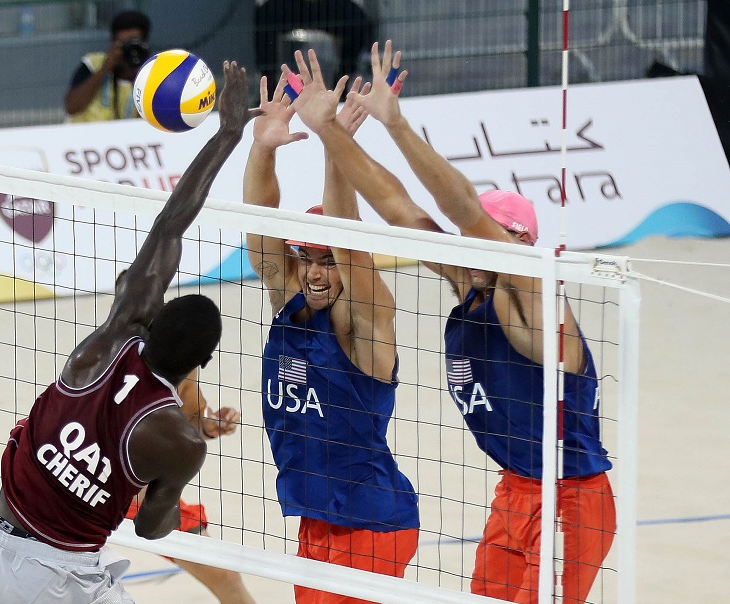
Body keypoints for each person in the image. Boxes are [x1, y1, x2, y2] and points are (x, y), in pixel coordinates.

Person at [288, 41, 615, 603]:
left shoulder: (533, 293)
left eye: (495, 231)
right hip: (515, 489)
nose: (475, 236)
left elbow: (460, 205)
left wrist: (399, 126)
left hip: (569, 496)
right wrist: (333, 134)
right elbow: (397, 208)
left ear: (522, 243)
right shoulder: (468, 284)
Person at [0, 60, 259, 604]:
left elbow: (171, 223)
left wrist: (227, 135)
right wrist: (166, 478)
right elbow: (153, 528)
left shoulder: (102, 348)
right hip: (54, 577)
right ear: (201, 363)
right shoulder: (178, 440)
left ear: (149, 323)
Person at [243, 70, 419, 603]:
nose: (316, 272)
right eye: (307, 259)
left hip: (370, 521)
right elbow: (260, 223)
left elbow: (350, 244)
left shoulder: (366, 318)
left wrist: (331, 140)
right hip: (317, 516)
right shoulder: (290, 300)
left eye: (327, 261)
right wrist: (261, 150)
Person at [113, 270, 256, 604]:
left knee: (226, 579)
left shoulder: (180, 357)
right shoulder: (112, 353)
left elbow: (191, 421)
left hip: (149, 497)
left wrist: (210, 425)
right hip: (95, 487)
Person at [65, 10, 152, 122]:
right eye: (124, 45)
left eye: (134, 44)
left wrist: (141, 77)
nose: (130, 51)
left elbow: (149, 125)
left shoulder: (152, 72)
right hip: (85, 135)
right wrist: (105, 69)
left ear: (146, 43)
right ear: (113, 44)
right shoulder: (94, 63)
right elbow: (72, 107)